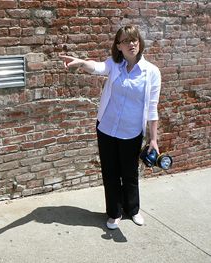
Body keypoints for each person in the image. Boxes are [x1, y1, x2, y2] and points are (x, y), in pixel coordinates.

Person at [60, 25, 161, 230]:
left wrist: (153, 139)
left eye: (134, 40)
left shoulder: (151, 72)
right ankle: (114, 213)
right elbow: (97, 67)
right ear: (119, 46)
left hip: (131, 132)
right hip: (106, 128)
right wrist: (80, 63)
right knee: (110, 171)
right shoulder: (114, 64)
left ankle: (132, 209)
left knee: (130, 173)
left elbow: (152, 107)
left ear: (139, 43)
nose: (131, 44)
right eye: (126, 41)